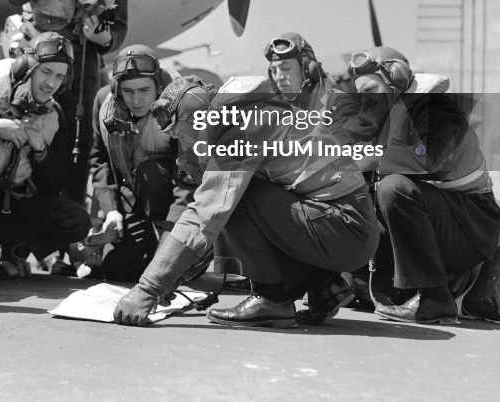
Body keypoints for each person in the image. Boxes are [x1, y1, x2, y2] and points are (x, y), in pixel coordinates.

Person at [112, 75, 379, 328]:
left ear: (197, 120)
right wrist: (175, 274)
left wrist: (148, 288)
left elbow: (207, 212)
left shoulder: (241, 129)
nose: (181, 143)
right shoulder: (251, 114)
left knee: (237, 198)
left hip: (345, 228)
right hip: (344, 222)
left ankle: (271, 299)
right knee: (240, 195)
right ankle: (323, 286)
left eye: (180, 134)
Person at [342, 46, 500, 324]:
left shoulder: (437, 107)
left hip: (470, 228)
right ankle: (347, 286)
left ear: (397, 78)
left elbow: (430, 161)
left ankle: (436, 299)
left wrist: (373, 159)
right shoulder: (385, 116)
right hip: (441, 220)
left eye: (370, 90)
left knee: (393, 188)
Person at [2, 0, 128, 209]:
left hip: (83, 64)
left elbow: (119, 25)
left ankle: (69, 219)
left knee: (79, 141)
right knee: (25, 130)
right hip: (38, 57)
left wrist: (105, 39)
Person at [0, 32, 91, 277]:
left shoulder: (53, 114)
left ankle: (16, 249)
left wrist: (40, 150)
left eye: (59, 77)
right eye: (45, 72)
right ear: (27, 68)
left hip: (15, 202)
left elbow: (56, 183)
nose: (51, 84)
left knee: (77, 219)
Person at [87, 45, 191, 280]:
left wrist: (172, 238)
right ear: (117, 90)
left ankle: (169, 247)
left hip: (172, 199)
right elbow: (99, 160)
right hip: (130, 194)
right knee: (115, 269)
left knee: (150, 172)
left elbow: (187, 181)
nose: (136, 100)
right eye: (127, 91)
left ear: (159, 86)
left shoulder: (181, 108)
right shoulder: (104, 103)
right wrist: (111, 210)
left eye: (144, 90)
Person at [263, 33, 337, 113]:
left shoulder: (337, 104)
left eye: (285, 68)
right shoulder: (274, 111)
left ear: (307, 70)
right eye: (274, 71)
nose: (278, 77)